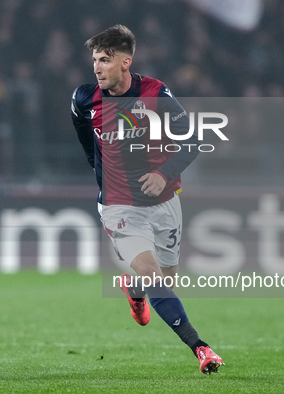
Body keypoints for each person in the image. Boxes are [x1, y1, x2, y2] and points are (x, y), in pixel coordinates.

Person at [70, 24, 224, 375]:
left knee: (163, 280)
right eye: (94, 60)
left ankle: (133, 290)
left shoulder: (156, 94)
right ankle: (201, 348)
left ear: (126, 62)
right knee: (156, 277)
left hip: (165, 200)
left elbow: (193, 142)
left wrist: (162, 174)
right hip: (118, 205)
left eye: (105, 60)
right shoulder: (83, 99)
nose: (97, 67)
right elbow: (86, 142)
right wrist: (102, 171)